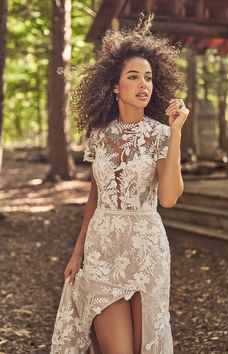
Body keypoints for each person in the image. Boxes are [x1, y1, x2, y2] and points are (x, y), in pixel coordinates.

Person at [50, 15, 189, 354]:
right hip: (102, 249)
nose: (144, 84)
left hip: (146, 250)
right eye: (133, 77)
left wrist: (176, 133)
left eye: (149, 77)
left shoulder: (161, 133)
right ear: (114, 85)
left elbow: (169, 197)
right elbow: (94, 198)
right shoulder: (98, 136)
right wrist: (77, 252)